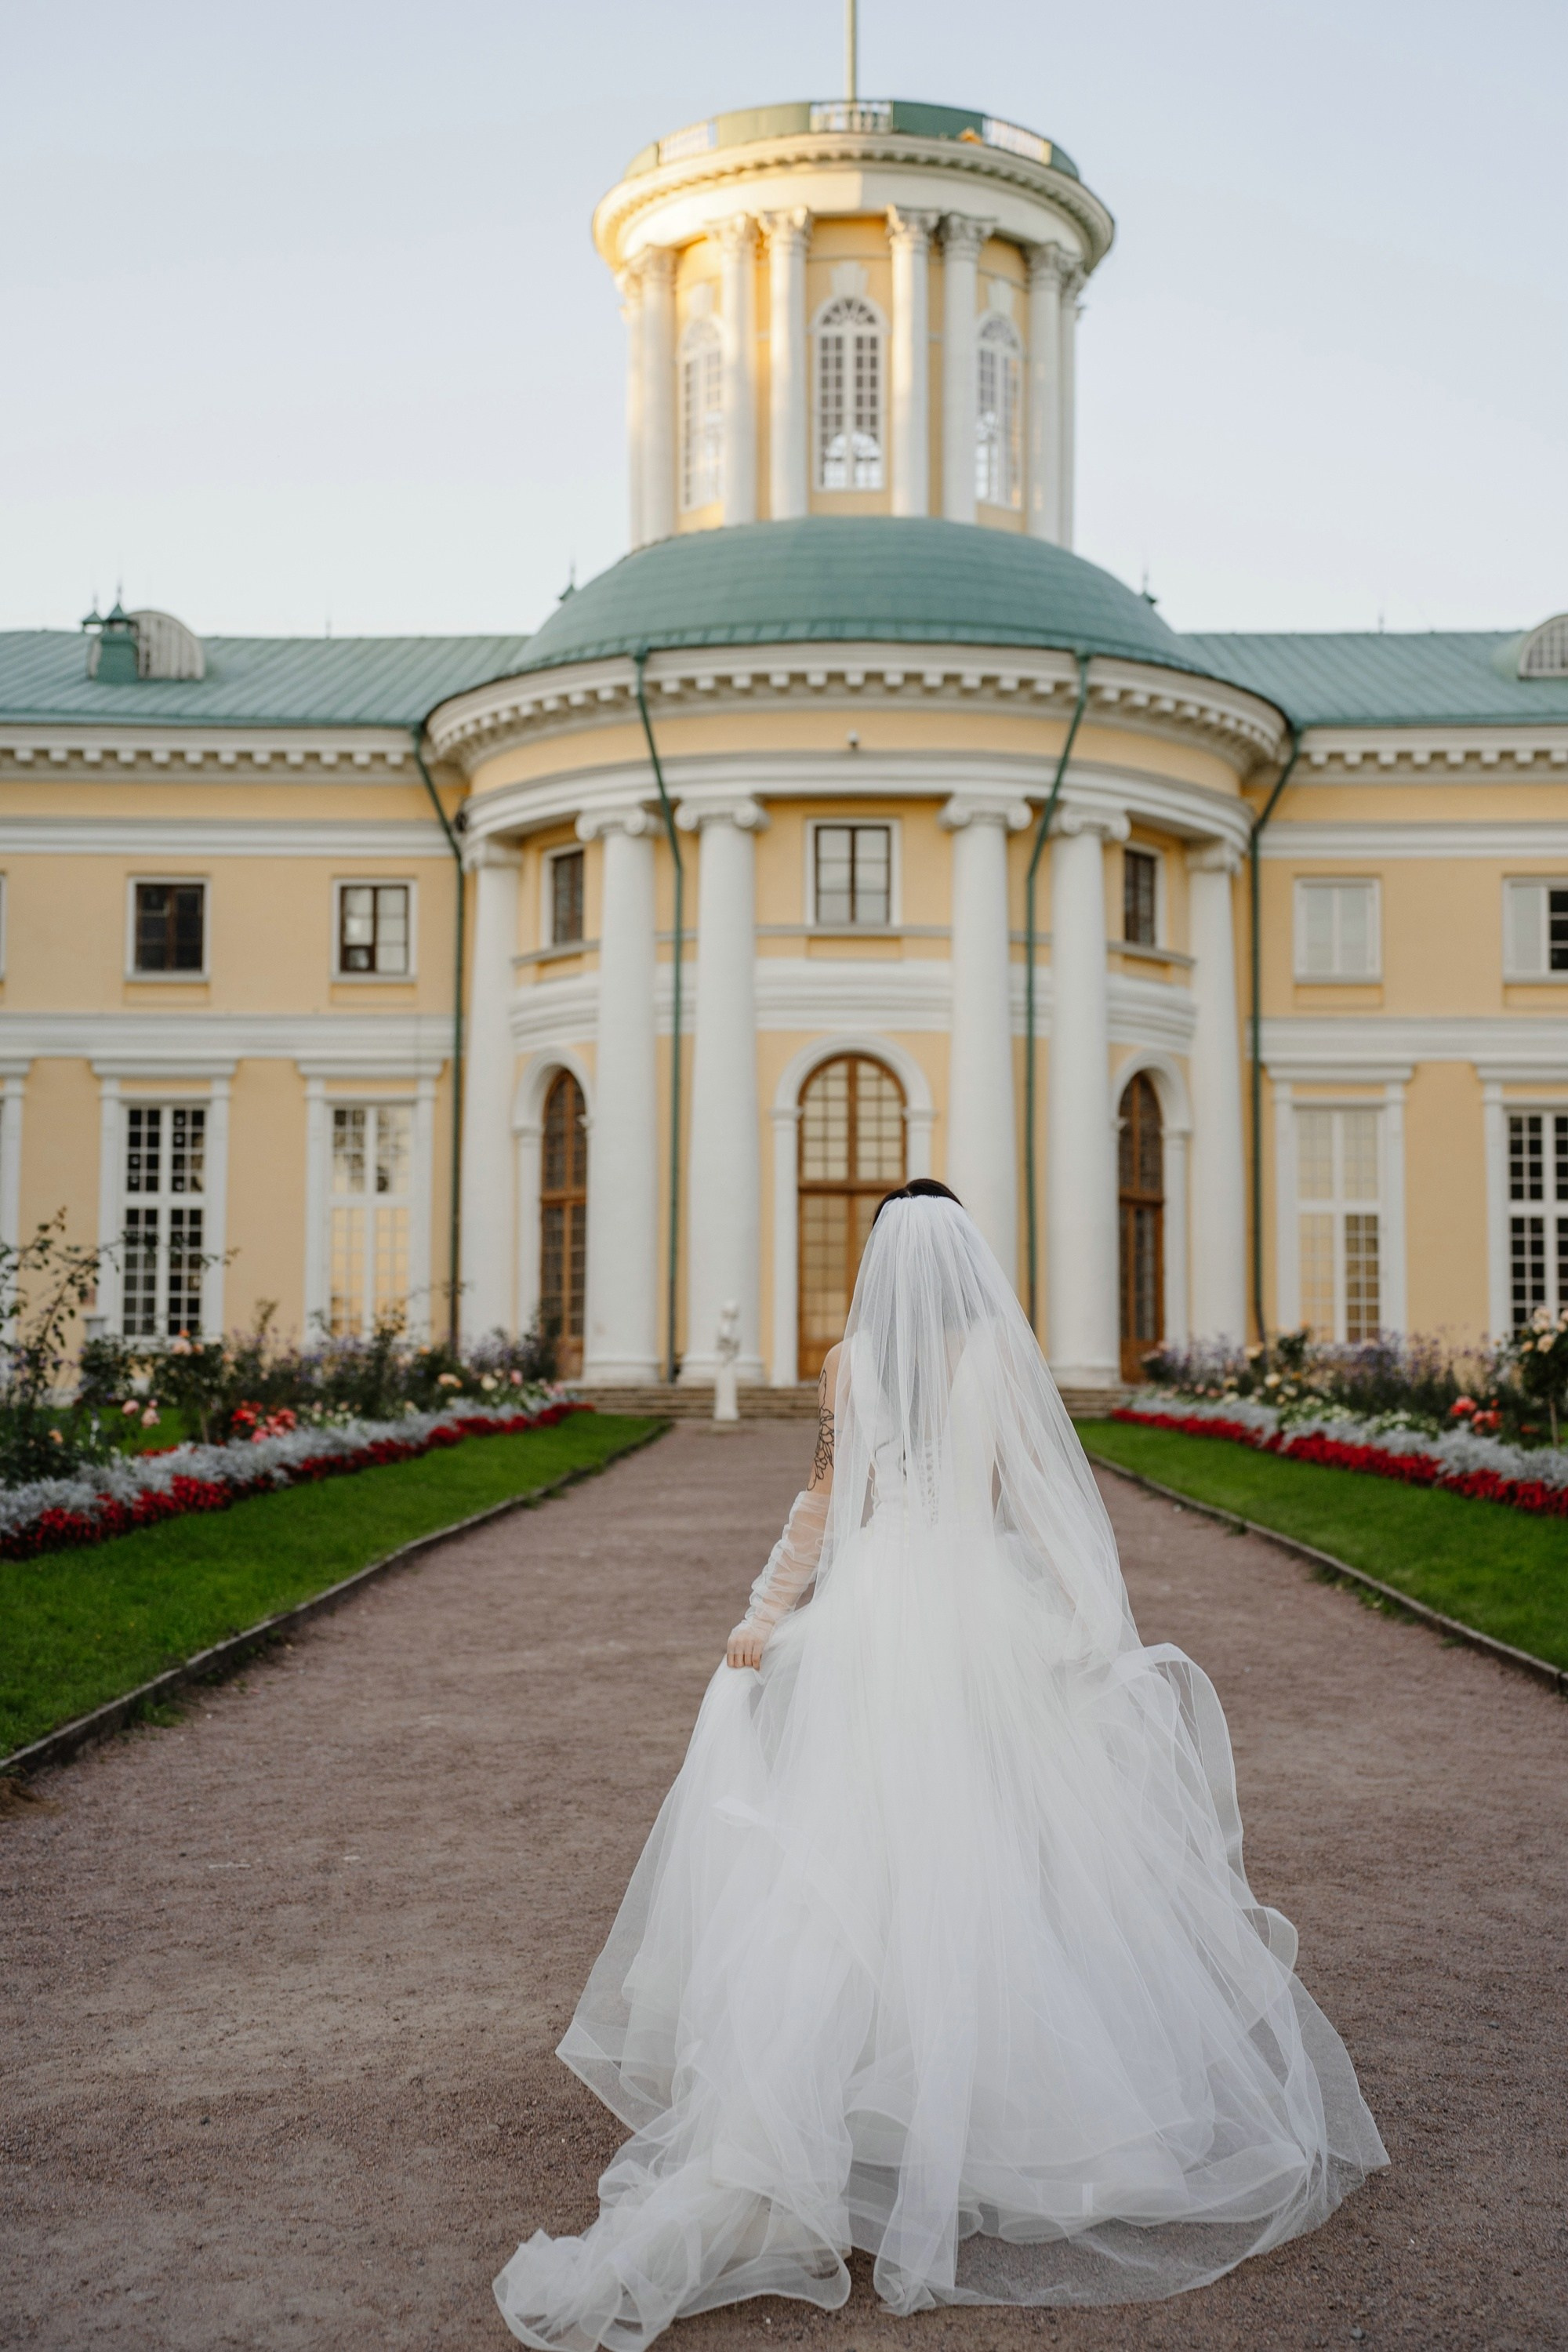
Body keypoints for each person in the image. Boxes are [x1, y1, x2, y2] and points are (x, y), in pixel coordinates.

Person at [495, 1181, 1387, 2348]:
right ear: (966, 1262)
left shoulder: (847, 1360)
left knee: (856, 1858)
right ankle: (997, 2119)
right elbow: (1039, 1498)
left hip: (874, 1612)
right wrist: (1085, 1625)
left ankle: (859, 2112)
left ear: (879, 1263)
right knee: (999, 1853)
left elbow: (822, 1501)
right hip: (977, 1618)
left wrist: (764, 1611)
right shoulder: (995, 1360)